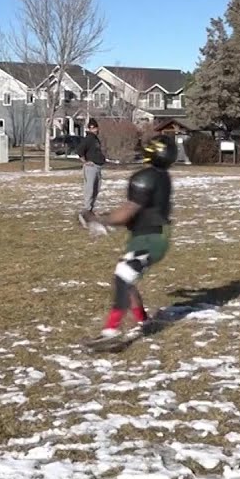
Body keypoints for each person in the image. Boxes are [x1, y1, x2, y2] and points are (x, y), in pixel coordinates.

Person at [81, 134, 177, 349]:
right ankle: (144, 321)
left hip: (151, 238)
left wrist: (100, 220)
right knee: (124, 277)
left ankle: (111, 332)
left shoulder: (147, 177)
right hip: (151, 235)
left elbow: (127, 212)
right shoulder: (161, 176)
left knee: (123, 276)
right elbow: (137, 212)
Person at [74, 119, 106, 223]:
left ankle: (90, 210)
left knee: (96, 189)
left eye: (96, 127)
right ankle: (85, 212)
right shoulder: (88, 138)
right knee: (90, 190)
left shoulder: (95, 139)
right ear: (90, 128)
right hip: (91, 168)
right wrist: (85, 161)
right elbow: (79, 150)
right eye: (93, 128)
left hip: (97, 167)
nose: (95, 130)